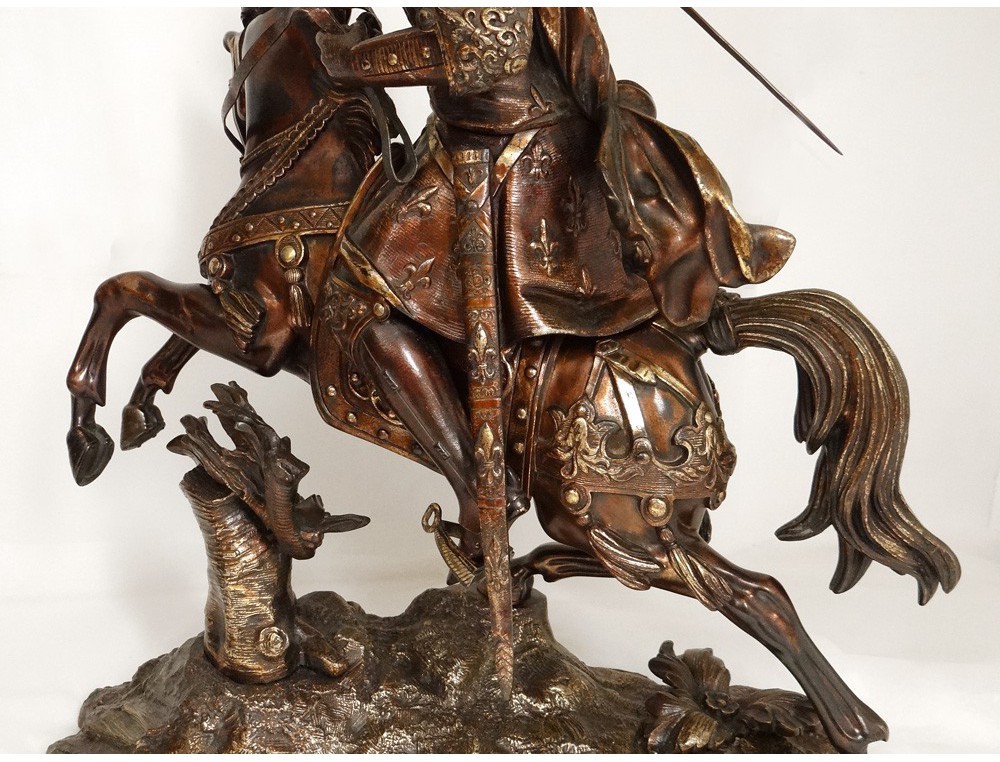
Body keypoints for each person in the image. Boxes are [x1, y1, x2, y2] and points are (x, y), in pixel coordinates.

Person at [312, 8, 794, 557]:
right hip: (496, 132)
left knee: (359, 296)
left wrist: (350, 62)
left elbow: (488, 47)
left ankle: (476, 484)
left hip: (508, 153)